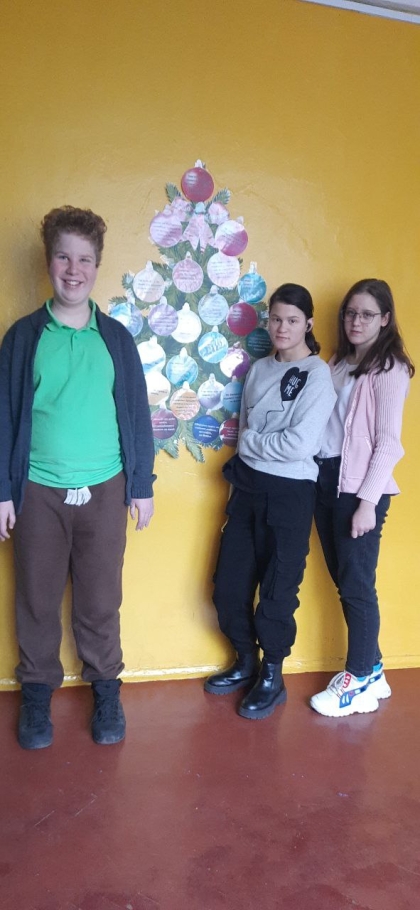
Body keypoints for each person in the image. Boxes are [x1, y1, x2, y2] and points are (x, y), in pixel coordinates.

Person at [0, 205, 156, 749]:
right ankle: (37, 692)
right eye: (63, 257)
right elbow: (3, 416)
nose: (73, 269)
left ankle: (106, 688)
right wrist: (2, 491)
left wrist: (141, 486)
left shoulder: (116, 339)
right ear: (49, 262)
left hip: (106, 490)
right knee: (37, 597)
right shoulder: (23, 338)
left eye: (84, 259)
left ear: (97, 266)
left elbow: (136, 414)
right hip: (37, 491)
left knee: (100, 598)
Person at [204, 284, 336, 720]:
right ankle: (246, 660)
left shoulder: (317, 375)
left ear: (308, 324)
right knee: (228, 586)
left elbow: (300, 445)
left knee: (278, 591)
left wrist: (254, 443)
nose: (282, 328)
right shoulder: (259, 369)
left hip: (291, 494)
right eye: (276, 319)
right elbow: (245, 437)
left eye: (292, 320)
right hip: (246, 490)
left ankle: (272, 675)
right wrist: (254, 447)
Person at [310, 279, 414, 717]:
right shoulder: (338, 362)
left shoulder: (390, 369)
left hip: (359, 487)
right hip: (326, 480)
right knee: (345, 579)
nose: (356, 321)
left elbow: (388, 444)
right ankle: (374, 669)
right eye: (351, 313)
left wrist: (367, 502)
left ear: (385, 319)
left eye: (367, 314)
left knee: (356, 584)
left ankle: (356, 680)